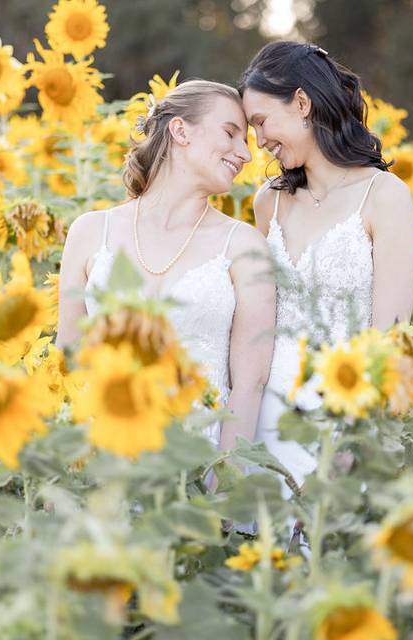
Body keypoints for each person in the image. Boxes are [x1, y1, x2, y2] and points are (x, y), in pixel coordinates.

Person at [56, 80, 275, 451]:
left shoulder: (243, 246)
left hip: (193, 466)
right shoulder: (91, 232)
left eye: (248, 141)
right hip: (100, 459)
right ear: (180, 130)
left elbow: (250, 384)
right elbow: (68, 364)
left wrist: (224, 485)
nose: (245, 154)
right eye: (231, 133)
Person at [239, 42, 413, 487]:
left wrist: (358, 445)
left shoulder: (384, 195)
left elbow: (391, 339)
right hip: (264, 423)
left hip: (342, 426)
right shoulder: (269, 203)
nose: (258, 140)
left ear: (301, 103)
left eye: (261, 122)